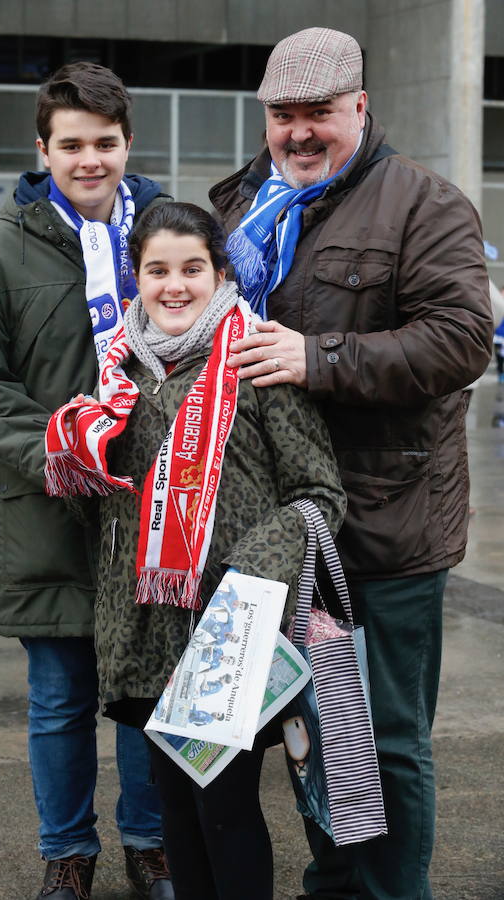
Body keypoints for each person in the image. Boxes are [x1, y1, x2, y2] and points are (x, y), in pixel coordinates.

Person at [210, 26, 493, 900]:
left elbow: (461, 340)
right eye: (283, 115)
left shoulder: (425, 205)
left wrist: (317, 358)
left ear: (361, 108)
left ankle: (391, 892)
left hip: (386, 522)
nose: (299, 132)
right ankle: (336, 883)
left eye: (319, 115)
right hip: (282, 528)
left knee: (387, 738)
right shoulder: (242, 203)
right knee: (315, 725)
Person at [43, 201, 346, 900]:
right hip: (142, 627)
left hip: (226, 633)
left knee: (225, 809)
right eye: (157, 270)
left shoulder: (254, 359)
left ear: (218, 273)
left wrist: (250, 569)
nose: (174, 286)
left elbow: (320, 494)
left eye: (191, 269)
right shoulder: (120, 373)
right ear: (136, 279)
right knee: (172, 807)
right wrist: (75, 446)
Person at [0, 63, 173, 900]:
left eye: (105, 143)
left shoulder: (175, 233)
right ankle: (67, 853)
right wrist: (55, 454)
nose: (90, 160)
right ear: (43, 149)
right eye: (71, 145)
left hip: (156, 509)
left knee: (149, 695)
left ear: (127, 143)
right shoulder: (2, 246)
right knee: (61, 699)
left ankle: (153, 845)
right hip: (50, 507)